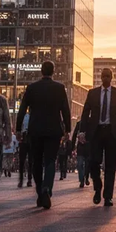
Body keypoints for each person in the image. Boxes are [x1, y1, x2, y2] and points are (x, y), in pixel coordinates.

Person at [16, 62, 72, 209]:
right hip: (53, 130)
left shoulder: (32, 88)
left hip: (36, 130)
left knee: (36, 161)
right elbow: (65, 110)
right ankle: (47, 188)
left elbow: (22, 109)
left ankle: (40, 192)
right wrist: (67, 129)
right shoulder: (59, 88)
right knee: (50, 160)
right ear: (53, 71)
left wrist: (18, 129)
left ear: (41, 71)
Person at [80, 68, 116, 207]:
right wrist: (82, 131)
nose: (106, 78)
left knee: (110, 165)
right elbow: (85, 113)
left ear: (111, 78)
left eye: (108, 76)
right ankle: (97, 187)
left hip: (112, 133)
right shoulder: (93, 93)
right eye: (104, 76)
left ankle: (108, 197)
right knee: (94, 162)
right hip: (96, 132)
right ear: (101, 78)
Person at [72, 118, 89, 188]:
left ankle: (86, 177)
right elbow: (74, 135)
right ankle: (82, 179)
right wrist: (72, 147)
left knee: (87, 165)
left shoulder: (91, 123)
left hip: (88, 148)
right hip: (80, 148)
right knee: (79, 164)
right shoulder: (79, 124)